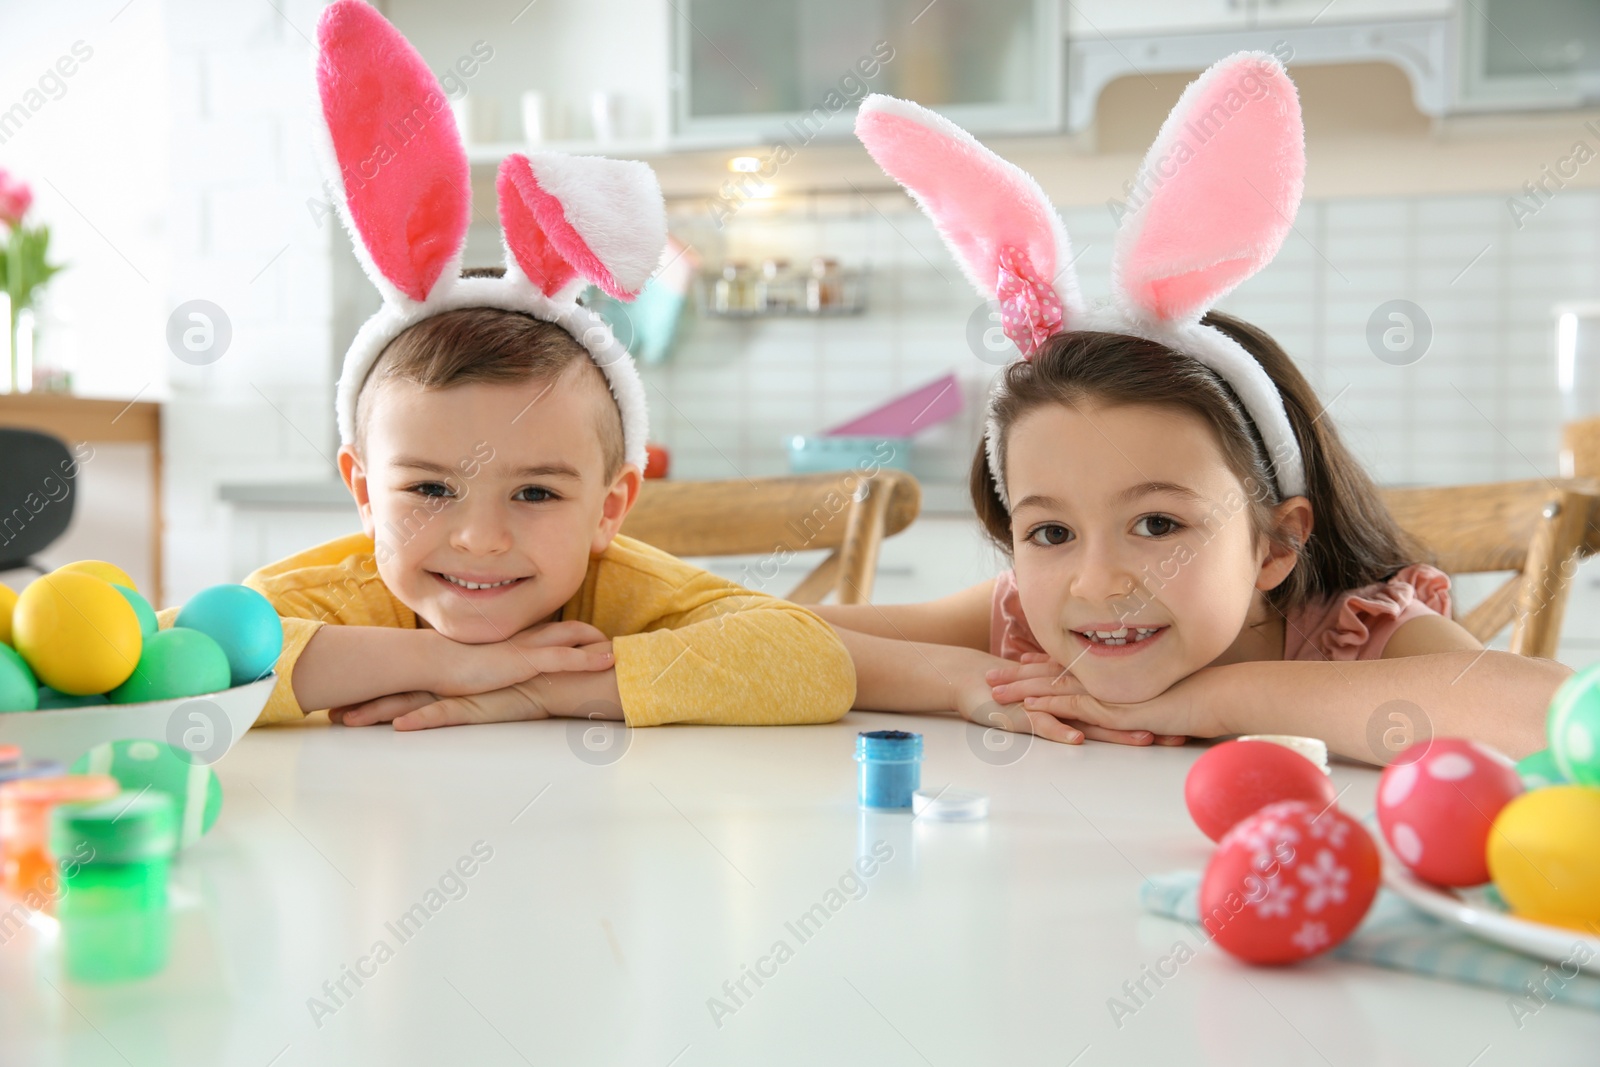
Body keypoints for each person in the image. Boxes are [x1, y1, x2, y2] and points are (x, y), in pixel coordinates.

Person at [812, 58, 1568, 763]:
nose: (1097, 581)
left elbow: (1550, 713)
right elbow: (769, 635)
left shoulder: (1355, 637)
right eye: (1050, 532)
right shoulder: (1029, 621)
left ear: (1275, 545)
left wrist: (1214, 702)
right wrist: (960, 679)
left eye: (1157, 524)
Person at [159, 0, 855, 734]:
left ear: (610, 507)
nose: (479, 538)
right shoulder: (344, 593)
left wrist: (540, 688)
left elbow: (812, 660)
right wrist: (448, 665)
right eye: (429, 486)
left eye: (534, 492)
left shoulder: (626, 589)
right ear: (364, 493)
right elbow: (169, 661)